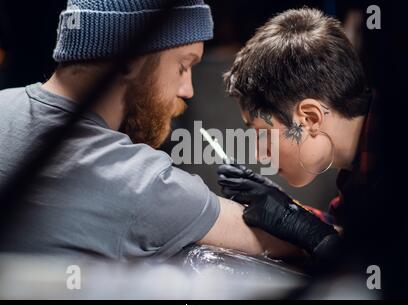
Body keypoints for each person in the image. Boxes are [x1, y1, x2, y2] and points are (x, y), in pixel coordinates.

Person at [0, 0, 301, 261]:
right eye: (184, 66)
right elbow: (286, 240)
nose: (188, 90)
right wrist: (316, 228)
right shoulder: (139, 182)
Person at [218, 8, 381, 262]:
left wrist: (307, 230)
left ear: (310, 118)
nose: (260, 154)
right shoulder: (359, 174)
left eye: (263, 133)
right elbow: (352, 234)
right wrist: (289, 211)